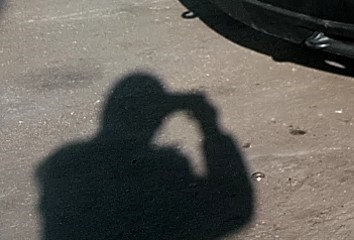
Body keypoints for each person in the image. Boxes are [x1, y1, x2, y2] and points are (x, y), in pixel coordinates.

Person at [36, 73, 254, 240]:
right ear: (159, 120)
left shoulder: (62, 164)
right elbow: (236, 207)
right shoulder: (165, 168)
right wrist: (210, 126)